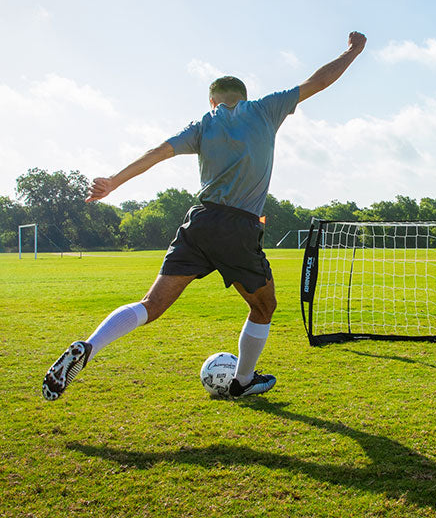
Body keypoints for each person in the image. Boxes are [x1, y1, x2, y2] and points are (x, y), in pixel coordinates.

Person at [42, 31, 367, 401]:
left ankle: (89, 346)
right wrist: (353, 51)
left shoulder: (202, 124)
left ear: (212, 100)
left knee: (152, 305)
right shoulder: (265, 109)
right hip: (238, 226)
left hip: (197, 222)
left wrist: (114, 182)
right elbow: (319, 81)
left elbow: (157, 152)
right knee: (264, 306)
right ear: (242, 98)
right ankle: (243, 380)